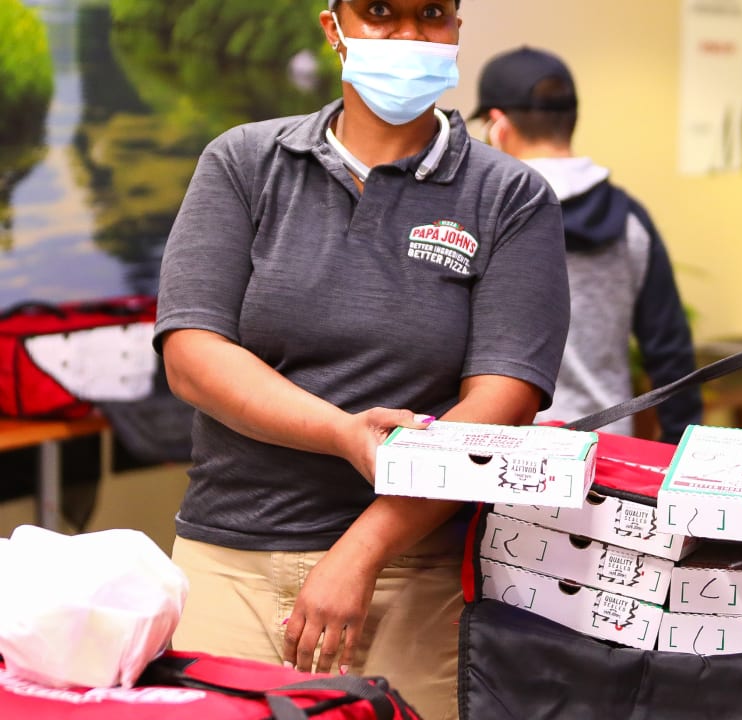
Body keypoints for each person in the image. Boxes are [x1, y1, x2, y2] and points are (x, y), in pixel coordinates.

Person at [153, 1, 570, 718]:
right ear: (334, 29)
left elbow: (504, 401)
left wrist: (362, 550)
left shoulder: (511, 196)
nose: (408, 34)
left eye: (430, 13)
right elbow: (194, 355)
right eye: (379, 11)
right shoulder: (245, 162)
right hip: (229, 560)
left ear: (456, 31)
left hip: (411, 575)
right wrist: (344, 434)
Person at [471, 46, 701, 444]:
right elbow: (670, 352)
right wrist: (678, 453)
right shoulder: (630, 219)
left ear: (499, 126)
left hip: (500, 450)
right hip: (606, 446)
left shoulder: (484, 217)